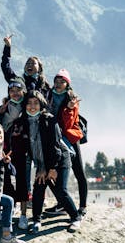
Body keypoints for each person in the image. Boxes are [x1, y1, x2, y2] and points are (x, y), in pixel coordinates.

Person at [18, 90, 82, 233]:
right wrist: (42, 168)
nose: (32, 106)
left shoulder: (49, 119)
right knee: (39, 188)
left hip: (59, 160)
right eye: (29, 103)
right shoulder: (24, 122)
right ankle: (36, 220)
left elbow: (55, 147)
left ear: (41, 105)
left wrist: (51, 169)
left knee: (59, 189)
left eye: (36, 103)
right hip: (42, 163)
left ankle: (76, 218)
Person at [1, 35, 51, 214]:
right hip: (21, 131)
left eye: (34, 63)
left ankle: (40, 198)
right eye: (27, 63)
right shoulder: (19, 82)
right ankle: (26, 197)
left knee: (42, 163)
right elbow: (6, 69)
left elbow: (50, 106)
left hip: (39, 129)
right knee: (24, 165)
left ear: (39, 68)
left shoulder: (44, 86)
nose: (30, 65)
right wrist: (8, 48)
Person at [44, 69, 88, 217]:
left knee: (79, 172)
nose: (58, 84)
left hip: (69, 138)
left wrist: (69, 108)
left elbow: (69, 124)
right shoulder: (48, 95)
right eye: (56, 81)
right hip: (53, 138)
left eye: (62, 81)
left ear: (67, 84)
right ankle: (62, 204)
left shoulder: (71, 98)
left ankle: (82, 206)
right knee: (51, 173)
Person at [0, 79, 30, 230]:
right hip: (7, 148)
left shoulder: (28, 105)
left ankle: (23, 215)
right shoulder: (5, 107)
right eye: (12, 91)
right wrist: (0, 113)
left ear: (23, 91)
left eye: (18, 90)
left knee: (22, 180)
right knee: (7, 181)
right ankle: (10, 209)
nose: (15, 93)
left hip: (22, 148)